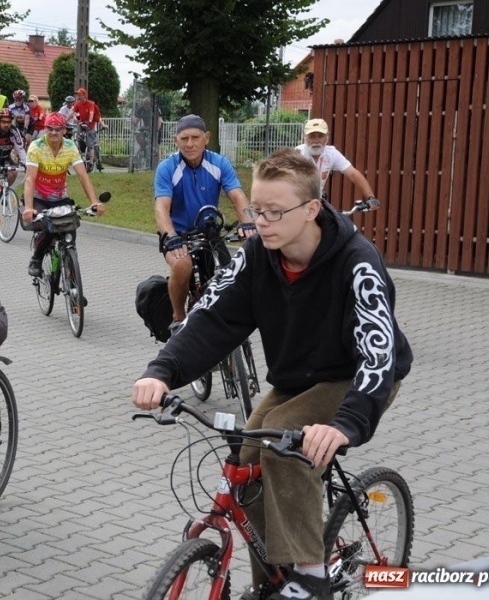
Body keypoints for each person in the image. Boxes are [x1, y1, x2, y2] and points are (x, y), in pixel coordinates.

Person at [134, 147, 413, 600]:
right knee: (246, 461)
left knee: (286, 445)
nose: (260, 221)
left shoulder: (357, 262)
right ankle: (274, 581)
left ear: (310, 210)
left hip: (357, 376)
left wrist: (345, 424)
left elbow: (377, 354)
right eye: (255, 210)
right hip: (298, 375)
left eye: (274, 211)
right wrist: (163, 371)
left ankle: (309, 577)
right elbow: (212, 317)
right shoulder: (257, 256)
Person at [155, 114, 254, 331]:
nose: (189, 144)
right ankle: (179, 318)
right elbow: (161, 208)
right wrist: (170, 237)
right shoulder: (167, 168)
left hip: (209, 233)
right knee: (182, 266)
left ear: (206, 138)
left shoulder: (219, 163)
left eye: (195, 137)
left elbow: (237, 196)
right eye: (184, 138)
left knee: (231, 274)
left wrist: (248, 222)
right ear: (176, 140)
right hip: (178, 236)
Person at [22, 112, 106, 277]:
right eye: (49, 128)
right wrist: (28, 207)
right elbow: (30, 179)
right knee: (49, 227)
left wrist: (94, 202)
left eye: (58, 129)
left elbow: (83, 175)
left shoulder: (69, 147)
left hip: (60, 198)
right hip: (40, 198)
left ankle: (73, 285)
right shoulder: (36, 147)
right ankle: (36, 259)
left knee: (70, 231)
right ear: (45, 129)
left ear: (64, 130)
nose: (53, 132)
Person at [295, 118, 375, 201]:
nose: (316, 141)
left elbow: (353, 174)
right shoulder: (297, 154)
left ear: (327, 138)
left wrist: (371, 197)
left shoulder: (331, 153)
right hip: (295, 201)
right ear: (304, 137)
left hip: (316, 201)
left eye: (320, 136)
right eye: (311, 136)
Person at [69, 87, 101, 166]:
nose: (78, 97)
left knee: (90, 144)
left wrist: (89, 120)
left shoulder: (90, 103)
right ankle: (80, 148)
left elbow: (91, 113)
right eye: (77, 95)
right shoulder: (78, 104)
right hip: (82, 123)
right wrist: (64, 121)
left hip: (90, 125)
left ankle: (90, 162)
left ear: (84, 95)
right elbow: (72, 113)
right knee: (77, 135)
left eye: (79, 95)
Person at [134, 96, 163, 163]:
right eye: (144, 104)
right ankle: (143, 146)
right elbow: (136, 120)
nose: (146, 106)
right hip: (146, 126)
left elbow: (160, 120)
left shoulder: (156, 109)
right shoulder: (141, 109)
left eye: (147, 104)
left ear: (150, 104)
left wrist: (156, 131)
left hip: (156, 126)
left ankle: (158, 161)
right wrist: (134, 127)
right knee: (138, 133)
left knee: (156, 145)